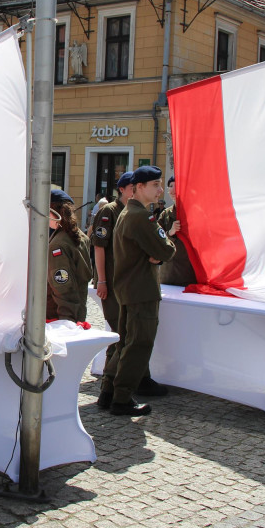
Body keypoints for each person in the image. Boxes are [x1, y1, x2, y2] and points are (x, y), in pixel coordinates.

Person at [100, 165, 179, 416]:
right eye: (155, 185)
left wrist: (155, 253)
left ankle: (108, 392)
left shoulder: (127, 213)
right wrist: (158, 251)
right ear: (139, 188)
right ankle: (122, 398)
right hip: (141, 290)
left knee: (124, 343)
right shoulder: (141, 216)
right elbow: (166, 250)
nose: (159, 190)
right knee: (139, 344)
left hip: (127, 288)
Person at [92, 170, 136, 407]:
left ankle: (109, 389)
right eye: (132, 188)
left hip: (125, 282)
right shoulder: (109, 211)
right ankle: (108, 389)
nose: (134, 191)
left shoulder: (133, 211)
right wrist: (101, 280)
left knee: (122, 334)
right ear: (123, 189)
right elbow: (99, 246)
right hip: (111, 282)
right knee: (120, 334)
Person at [47, 189, 92, 322]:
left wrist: (66, 322)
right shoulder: (78, 235)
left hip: (60, 316)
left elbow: (63, 286)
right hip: (75, 312)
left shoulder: (58, 244)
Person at [157, 176, 197, 287]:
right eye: (170, 186)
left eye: (177, 186)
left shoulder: (195, 213)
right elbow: (156, 240)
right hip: (167, 274)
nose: (173, 190)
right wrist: (170, 232)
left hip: (188, 274)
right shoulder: (165, 214)